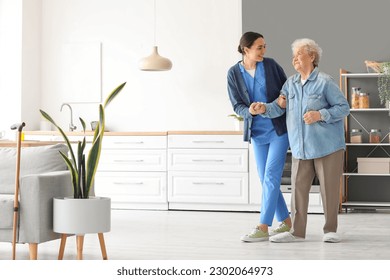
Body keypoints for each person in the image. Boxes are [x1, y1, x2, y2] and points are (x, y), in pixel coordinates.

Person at [258, 38, 350, 243]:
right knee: (298, 191)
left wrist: (320, 115)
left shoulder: (325, 81)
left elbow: (344, 108)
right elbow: (278, 107)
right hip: (300, 147)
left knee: (329, 190)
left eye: (298, 54)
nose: (294, 59)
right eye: (293, 56)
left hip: (328, 147)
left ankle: (330, 230)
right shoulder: (290, 84)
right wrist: (263, 109)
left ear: (312, 56)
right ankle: (297, 232)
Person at [227, 31, 292, 242]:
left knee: (271, 176)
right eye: (259, 48)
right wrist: (251, 111)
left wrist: (278, 102)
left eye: (265, 46)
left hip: (279, 129)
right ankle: (287, 222)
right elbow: (237, 105)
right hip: (257, 132)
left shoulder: (271, 65)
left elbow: (286, 90)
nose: (264, 51)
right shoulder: (233, 73)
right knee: (265, 179)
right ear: (246, 49)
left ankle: (263, 226)